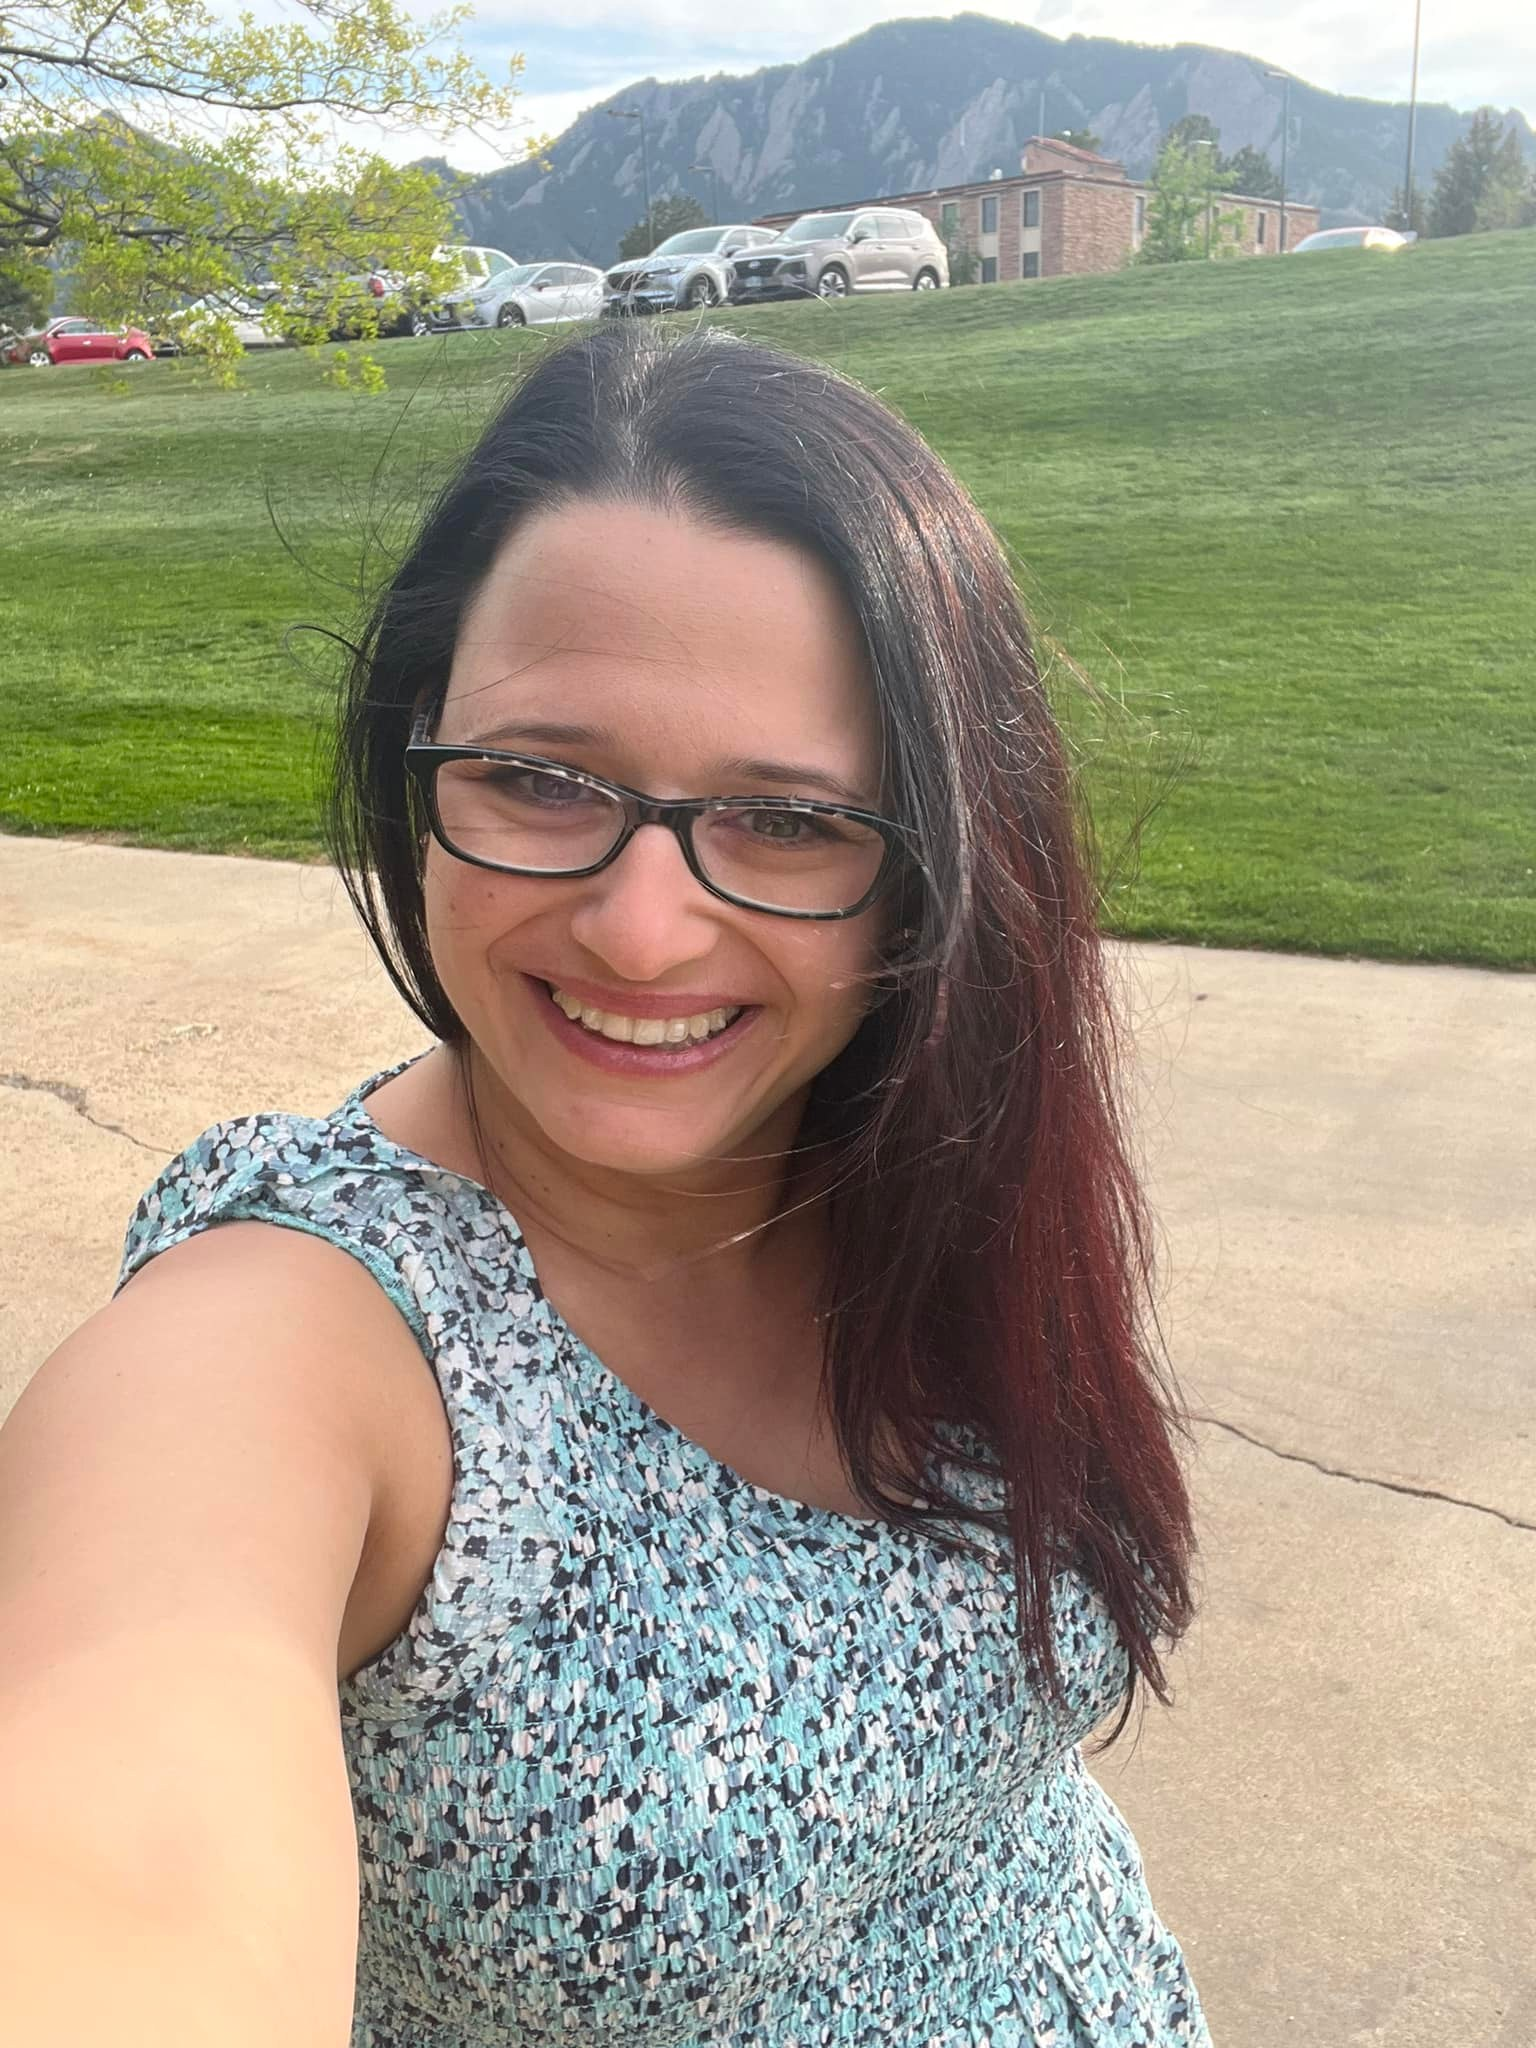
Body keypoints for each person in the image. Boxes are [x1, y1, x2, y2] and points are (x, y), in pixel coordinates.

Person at [0, 325, 1208, 2046]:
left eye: (789, 820)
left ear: (930, 869)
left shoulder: (918, 1160)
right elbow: (120, 1857)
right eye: (539, 781)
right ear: (417, 749)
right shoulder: (290, 1345)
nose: (643, 934)